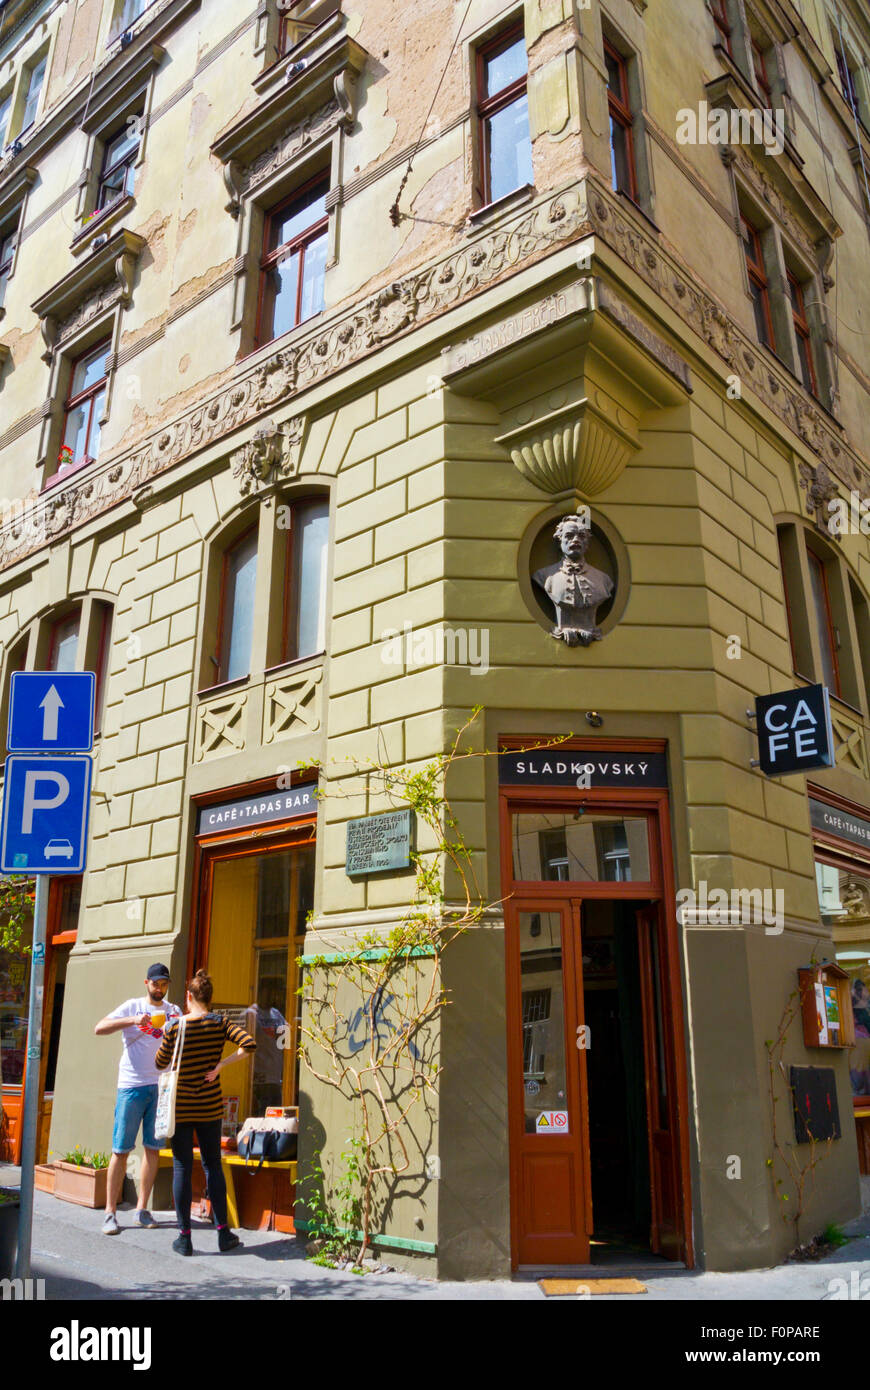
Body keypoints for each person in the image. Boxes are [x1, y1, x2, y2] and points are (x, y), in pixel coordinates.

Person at [155, 968, 256, 1255]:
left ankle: (184, 1237)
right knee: (213, 1165)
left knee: (182, 1167)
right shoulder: (220, 1023)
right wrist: (221, 1066)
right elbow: (249, 1044)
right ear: (210, 998)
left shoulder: (176, 1027)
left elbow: (160, 1062)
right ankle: (224, 1233)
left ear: (188, 997)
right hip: (210, 1106)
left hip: (182, 1108)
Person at [94, 962, 182, 1235]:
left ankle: (142, 1209)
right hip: (131, 1086)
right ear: (147, 983)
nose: (160, 988)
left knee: (153, 1148)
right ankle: (110, 1212)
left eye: (164, 984)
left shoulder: (173, 1011)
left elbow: (183, 1039)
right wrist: (132, 1021)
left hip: (161, 1086)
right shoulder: (133, 1006)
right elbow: (100, 1027)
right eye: (156, 983)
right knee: (121, 1149)